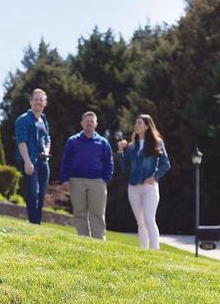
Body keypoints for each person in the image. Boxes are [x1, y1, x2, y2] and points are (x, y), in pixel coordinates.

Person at [116, 114, 170, 249]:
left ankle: (155, 251)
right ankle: (143, 251)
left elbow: (166, 164)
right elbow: (125, 169)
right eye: (135, 123)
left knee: (149, 219)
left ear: (147, 126)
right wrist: (121, 151)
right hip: (133, 188)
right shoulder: (131, 146)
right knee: (140, 222)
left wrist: (155, 177)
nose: (136, 125)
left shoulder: (157, 143)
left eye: (139, 123)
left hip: (149, 187)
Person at [60, 111, 114, 239]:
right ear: (82, 123)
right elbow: (66, 161)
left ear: (96, 124)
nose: (89, 123)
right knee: (79, 213)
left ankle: (99, 241)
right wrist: (64, 180)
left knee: (98, 213)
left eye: (91, 121)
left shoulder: (103, 142)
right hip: (76, 181)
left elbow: (109, 163)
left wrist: (105, 180)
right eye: (86, 121)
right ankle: (83, 240)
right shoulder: (72, 141)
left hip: (97, 182)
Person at [14, 88, 51, 223]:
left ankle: (38, 221)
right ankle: (33, 222)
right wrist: (27, 162)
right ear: (31, 102)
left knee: (41, 194)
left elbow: (48, 139)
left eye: (41, 100)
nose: (38, 102)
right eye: (36, 100)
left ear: (45, 103)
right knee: (32, 192)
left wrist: (47, 151)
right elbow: (21, 141)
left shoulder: (44, 119)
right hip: (30, 160)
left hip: (43, 161)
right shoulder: (22, 120)